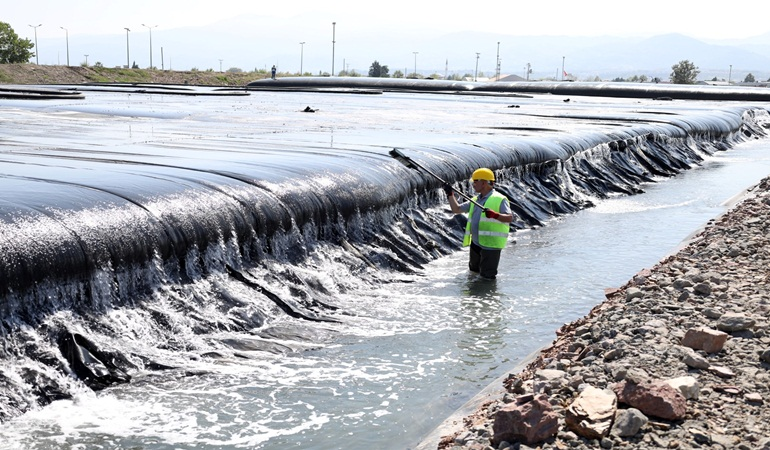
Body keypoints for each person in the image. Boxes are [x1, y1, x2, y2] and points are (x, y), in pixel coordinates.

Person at [445, 168, 513, 279]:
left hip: (491, 246)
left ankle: (487, 295)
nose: (472, 184)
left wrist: (495, 215)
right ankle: (475, 296)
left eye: (475, 181)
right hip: (476, 244)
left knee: (487, 277)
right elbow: (456, 209)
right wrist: (450, 194)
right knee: (473, 273)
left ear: (484, 182)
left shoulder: (500, 199)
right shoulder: (475, 199)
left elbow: (509, 218)